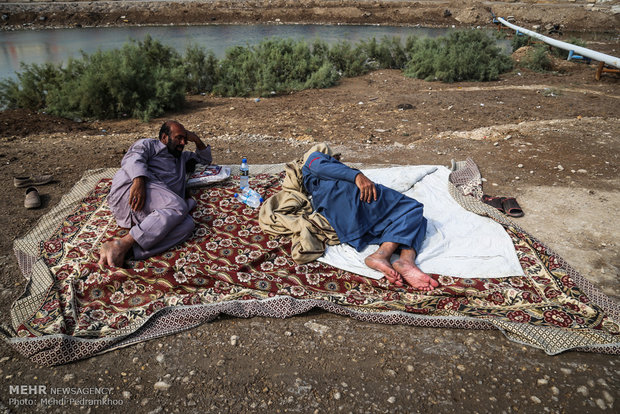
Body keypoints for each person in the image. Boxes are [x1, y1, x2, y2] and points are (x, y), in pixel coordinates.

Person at [302, 151, 439, 291]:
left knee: (418, 222)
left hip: (349, 224)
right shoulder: (315, 157)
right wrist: (357, 175)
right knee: (412, 208)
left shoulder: (322, 181)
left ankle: (405, 260)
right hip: (350, 201)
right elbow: (318, 165)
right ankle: (382, 255)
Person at [98, 121, 212, 267]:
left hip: (157, 207)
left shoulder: (182, 157)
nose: (183, 142)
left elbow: (205, 160)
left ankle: (128, 250)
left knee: (187, 225)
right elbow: (133, 158)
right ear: (164, 137)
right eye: (178, 138)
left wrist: (196, 139)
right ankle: (125, 241)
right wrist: (139, 180)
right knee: (178, 205)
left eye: (185, 138)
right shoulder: (148, 145)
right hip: (134, 193)